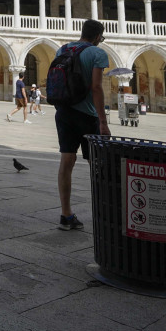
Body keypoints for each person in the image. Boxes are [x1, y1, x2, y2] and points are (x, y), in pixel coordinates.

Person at [53, 19, 110, 231]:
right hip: (87, 115)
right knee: (97, 164)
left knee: (66, 161)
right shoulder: (97, 53)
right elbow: (96, 87)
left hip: (64, 112)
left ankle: (66, 214)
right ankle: (103, 213)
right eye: (101, 38)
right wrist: (103, 121)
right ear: (97, 37)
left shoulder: (63, 49)